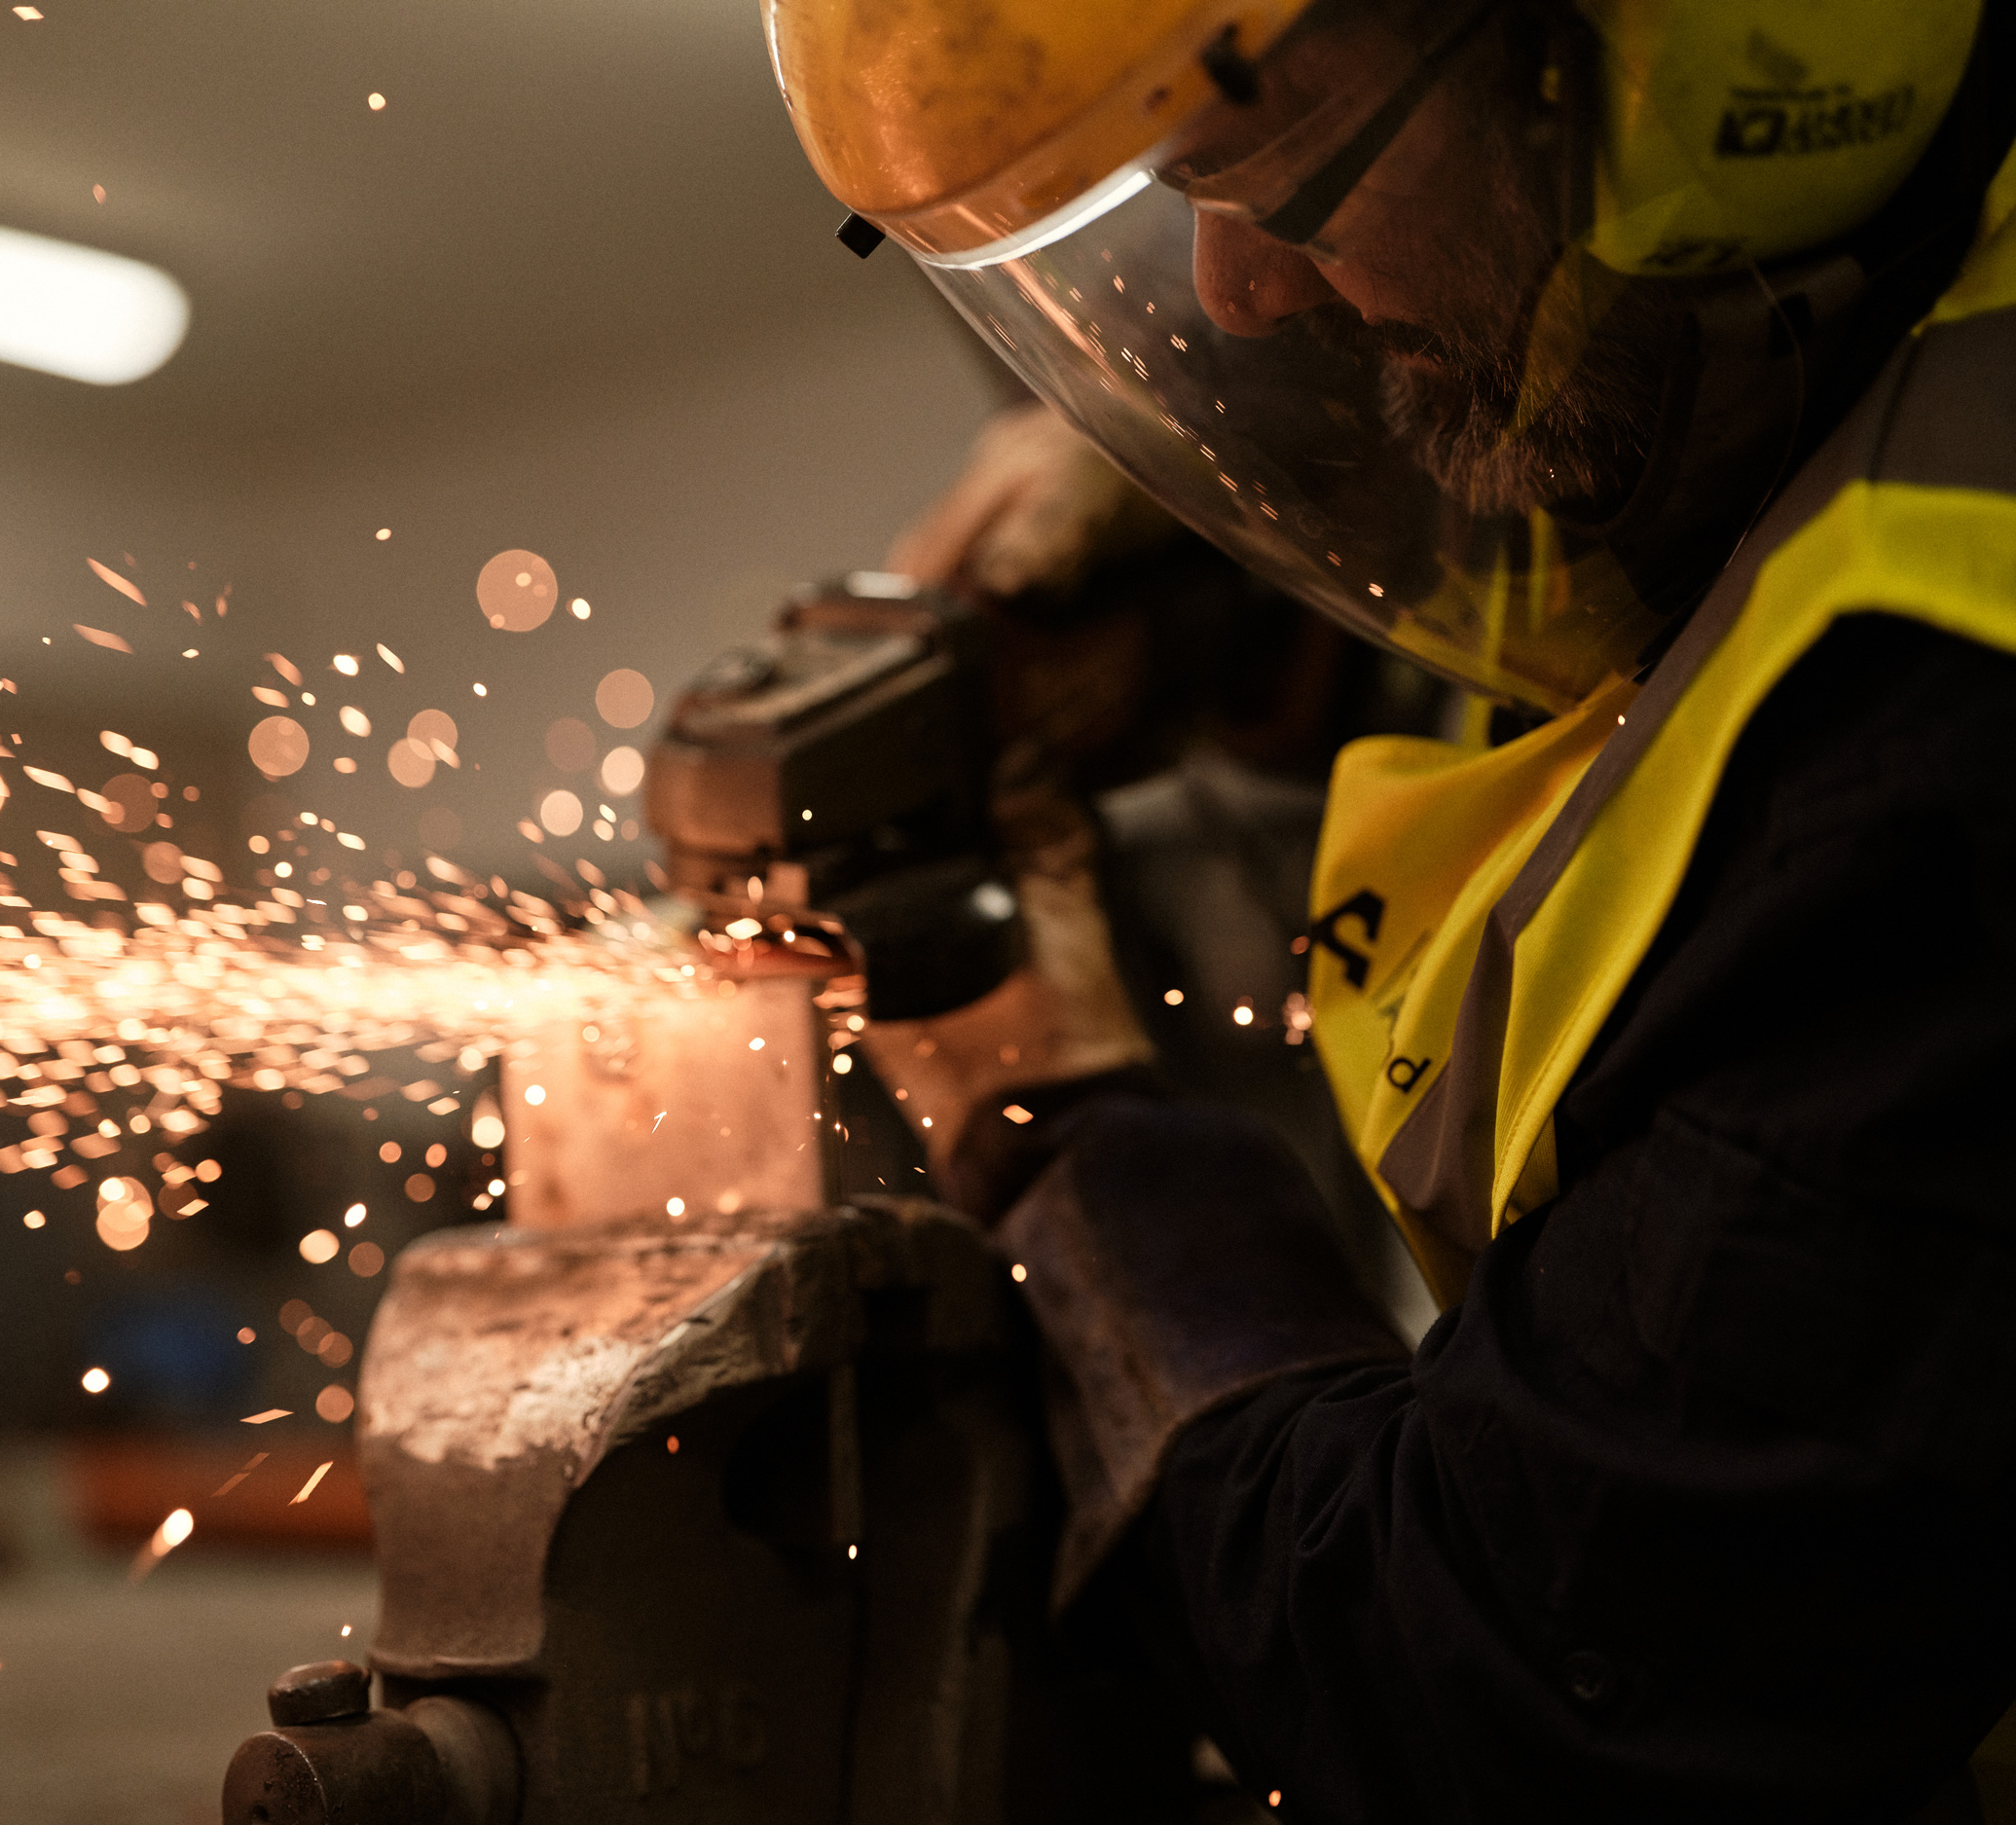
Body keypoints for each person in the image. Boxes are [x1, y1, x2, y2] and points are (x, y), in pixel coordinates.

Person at [764, 0, 2016, 1816]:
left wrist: (1063, 1128)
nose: (1233, 297)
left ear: (1713, 59)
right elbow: (1661, 602)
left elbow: (1522, 1688)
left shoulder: (1940, 769)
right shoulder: (1898, 340)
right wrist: (1207, 602)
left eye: (1260, 166)